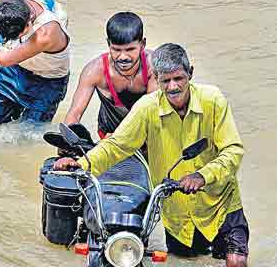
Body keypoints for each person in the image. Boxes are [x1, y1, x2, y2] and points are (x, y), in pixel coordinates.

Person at [54, 44, 249, 267]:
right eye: (166, 81)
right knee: (185, 262)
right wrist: (81, 164)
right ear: (156, 78)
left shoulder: (213, 100)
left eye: (179, 78)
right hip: (177, 213)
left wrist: (202, 176)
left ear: (190, 74)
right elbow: (117, 145)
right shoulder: (147, 107)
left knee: (236, 261)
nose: (173, 86)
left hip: (220, 203)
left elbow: (233, 150)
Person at [64, 11, 157, 139]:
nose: (123, 57)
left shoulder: (154, 65)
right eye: (116, 50)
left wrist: (121, 136)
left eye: (130, 50)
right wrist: (69, 139)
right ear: (108, 44)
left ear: (142, 44)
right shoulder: (95, 71)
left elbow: (152, 113)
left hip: (145, 131)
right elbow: (74, 115)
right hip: (109, 135)